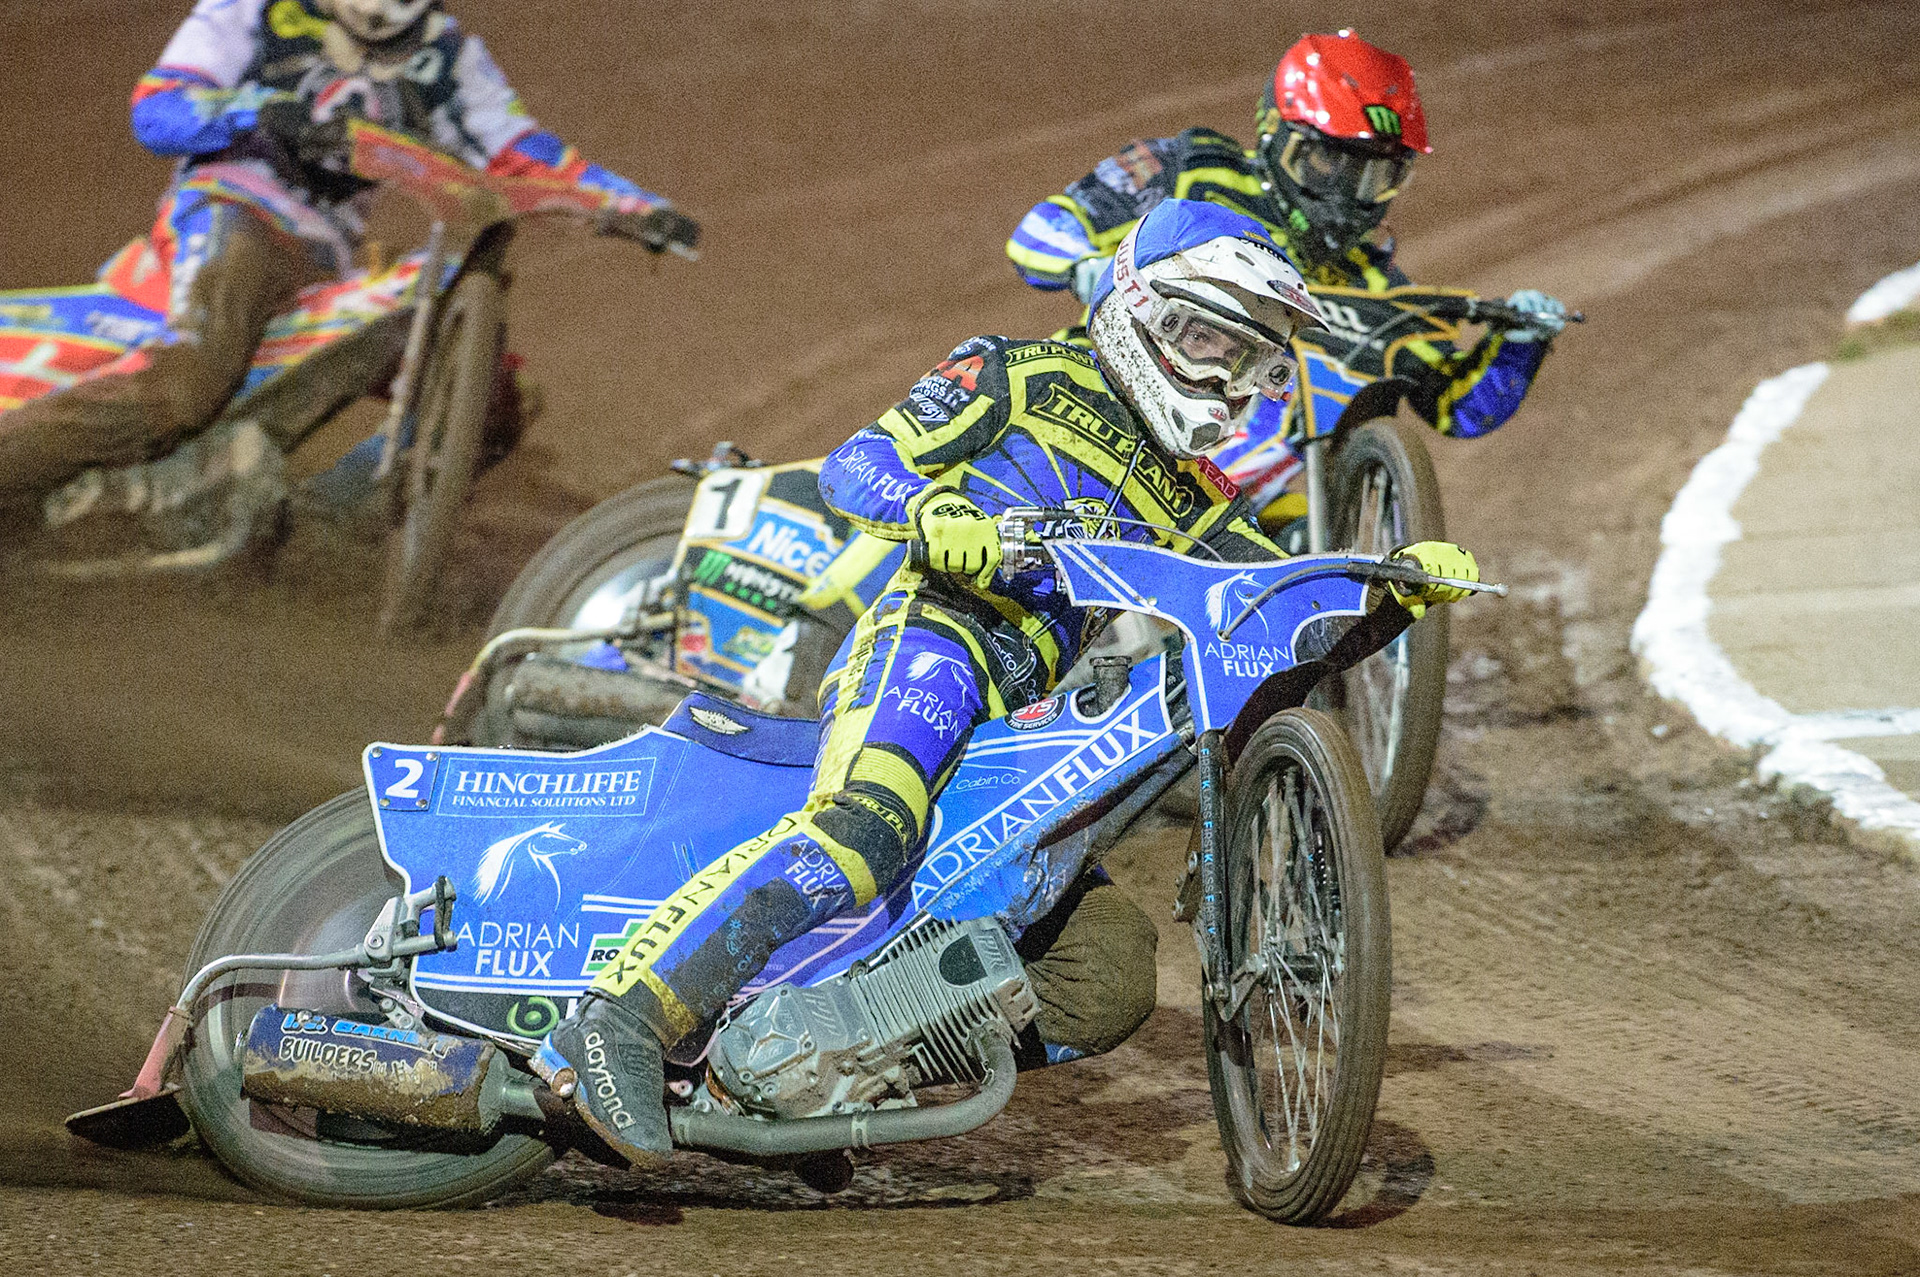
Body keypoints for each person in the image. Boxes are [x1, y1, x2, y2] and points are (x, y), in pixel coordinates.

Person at [532, 199, 1480, 1166]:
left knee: (1108, 975)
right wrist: (932, 510)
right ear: (1143, 309)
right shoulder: (1015, 374)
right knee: (869, 823)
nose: (1221, 378)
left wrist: (1387, 594)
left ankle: (809, 1068)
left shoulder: (1200, 497)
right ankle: (620, 1022)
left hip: (1031, 722)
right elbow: (859, 465)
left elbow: (1271, 609)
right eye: (1207, 342)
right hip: (933, 640)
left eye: (1246, 361)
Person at [0, 0, 693, 532]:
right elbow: (158, 108)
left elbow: (524, 150)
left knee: (495, 401)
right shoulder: (254, 11)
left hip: (326, 258)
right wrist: (260, 112)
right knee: (189, 384)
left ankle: (323, 528)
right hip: (235, 213)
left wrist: (635, 207)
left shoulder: (449, 55)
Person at [1005, 29, 1566, 521]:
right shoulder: (1193, 168)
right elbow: (1040, 230)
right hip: (1102, 400)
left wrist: (1521, 344)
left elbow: (1457, 408)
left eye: (1373, 176)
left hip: (1227, 492)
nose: (1346, 194)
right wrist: (1089, 269)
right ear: (1275, 133)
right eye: (1328, 163)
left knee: (1300, 536)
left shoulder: (1372, 287)